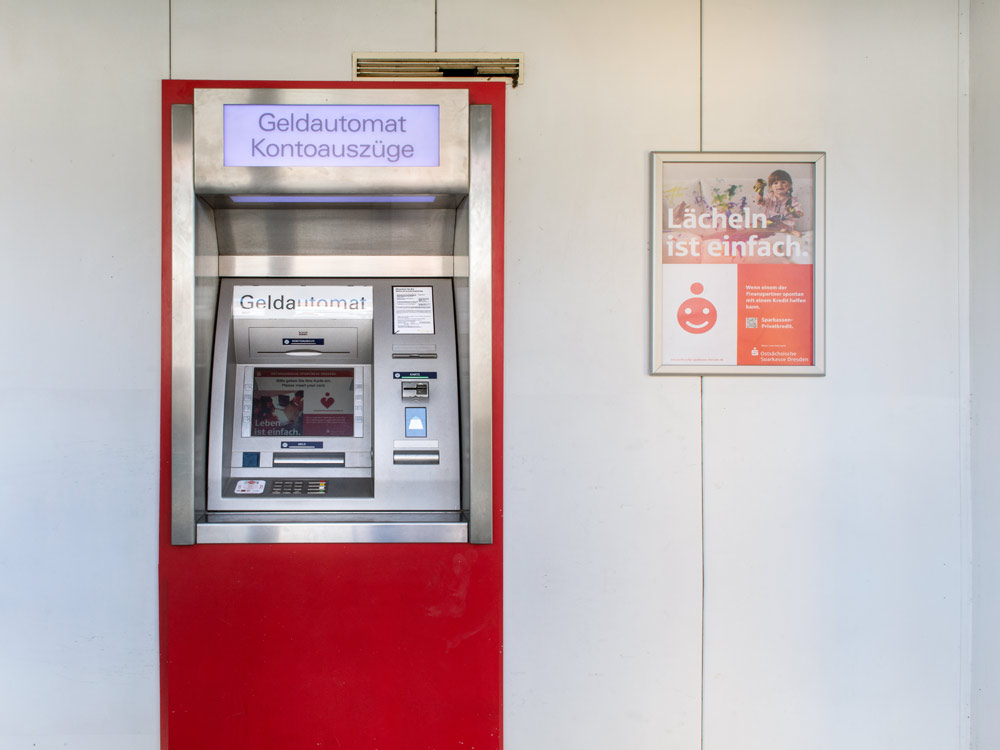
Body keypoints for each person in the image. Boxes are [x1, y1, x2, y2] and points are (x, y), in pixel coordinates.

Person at [755, 169, 803, 235]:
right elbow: (759, 202)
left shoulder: (792, 200)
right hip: (768, 221)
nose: (779, 185)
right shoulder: (769, 197)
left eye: (783, 182)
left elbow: (799, 214)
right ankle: (774, 230)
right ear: (771, 188)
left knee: (782, 226)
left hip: (783, 223)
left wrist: (794, 212)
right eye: (776, 183)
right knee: (756, 222)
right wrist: (760, 192)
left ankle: (790, 231)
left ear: (789, 185)